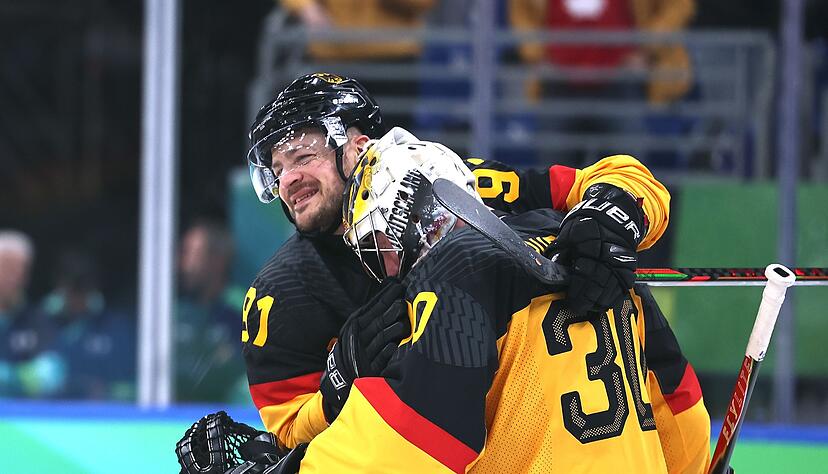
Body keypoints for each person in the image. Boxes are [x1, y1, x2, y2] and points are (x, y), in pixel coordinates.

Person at [240, 72, 703, 472]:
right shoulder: (281, 293)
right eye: (276, 169)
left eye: (303, 157)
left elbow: (409, 445)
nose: (288, 181)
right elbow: (288, 434)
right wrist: (339, 385)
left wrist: (612, 216)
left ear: (358, 146)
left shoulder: (460, 191)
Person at [176, 219, 249, 403]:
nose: (184, 264)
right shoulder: (175, 313)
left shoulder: (244, 310)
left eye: (193, 254)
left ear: (218, 260)